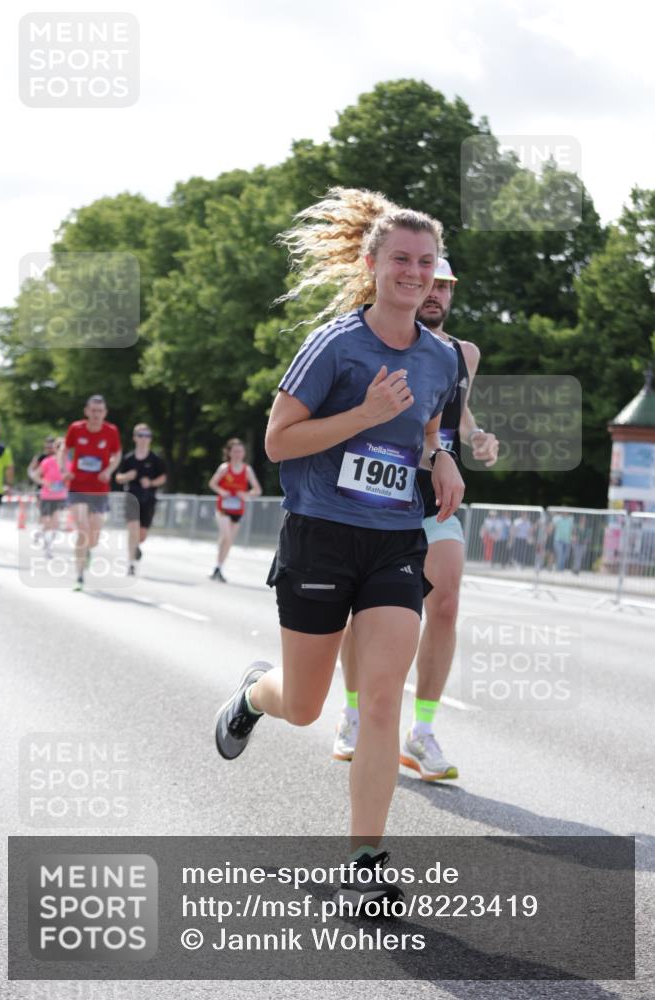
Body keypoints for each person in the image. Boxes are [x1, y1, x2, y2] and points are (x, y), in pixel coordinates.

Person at [214, 187, 465, 909]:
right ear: (371, 263)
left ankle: (365, 858)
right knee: (303, 704)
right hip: (320, 535)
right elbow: (278, 441)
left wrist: (438, 457)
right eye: (401, 261)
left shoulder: (440, 358)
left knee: (382, 699)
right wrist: (361, 414)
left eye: (426, 262)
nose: (415, 273)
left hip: (393, 540)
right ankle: (252, 696)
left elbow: (426, 430)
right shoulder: (334, 345)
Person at [333, 259, 500, 780]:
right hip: (374, 491)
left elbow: (455, 412)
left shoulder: (461, 354)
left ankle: (421, 732)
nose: (437, 294)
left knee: (446, 603)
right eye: (433, 283)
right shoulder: (370, 339)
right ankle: (354, 714)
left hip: (432, 491)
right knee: (359, 611)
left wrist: (476, 438)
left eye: (447, 286)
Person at [65, 395, 122, 591]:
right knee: (82, 528)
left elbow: (117, 453)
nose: (96, 414)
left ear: (105, 413)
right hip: (77, 487)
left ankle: (88, 551)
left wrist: (109, 470)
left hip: (99, 490)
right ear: (87, 411)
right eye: (93, 410)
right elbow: (64, 449)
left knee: (94, 535)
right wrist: (64, 469)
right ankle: (79, 576)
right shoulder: (76, 428)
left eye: (100, 411)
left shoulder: (111, 431)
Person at [115, 423, 167, 575]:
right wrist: (127, 476)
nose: (144, 439)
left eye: (147, 436)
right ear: (135, 438)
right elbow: (118, 477)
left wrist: (151, 483)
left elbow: (163, 477)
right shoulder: (128, 458)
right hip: (132, 497)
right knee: (132, 530)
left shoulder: (155, 459)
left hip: (148, 498)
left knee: (142, 534)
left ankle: (136, 547)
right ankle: (130, 563)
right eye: (141, 435)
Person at [208, 438, 262, 582]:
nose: (238, 454)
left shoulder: (247, 470)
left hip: (238, 510)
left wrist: (246, 494)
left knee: (229, 540)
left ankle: (218, 567)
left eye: (240, 451)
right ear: (229, 453)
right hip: (223, 508)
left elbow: (257, 490)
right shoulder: (224, 468)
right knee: (226, 535)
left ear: (244, 453)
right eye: (235, 451)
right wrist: (221, 491)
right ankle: (218, 567)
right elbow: (212, 483)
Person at [31, 437, 71, 558]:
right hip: (47, 496)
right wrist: (45, 482)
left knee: (55, 523)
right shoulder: (47, 461)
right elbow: (35, 475)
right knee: (46, 522)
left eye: (66, 449)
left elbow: (71, 479)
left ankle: (48, 548)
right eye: (61, 448)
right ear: (56, 449)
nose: (64, 451)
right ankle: (39, 533)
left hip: (61, 496)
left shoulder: (69, 464)